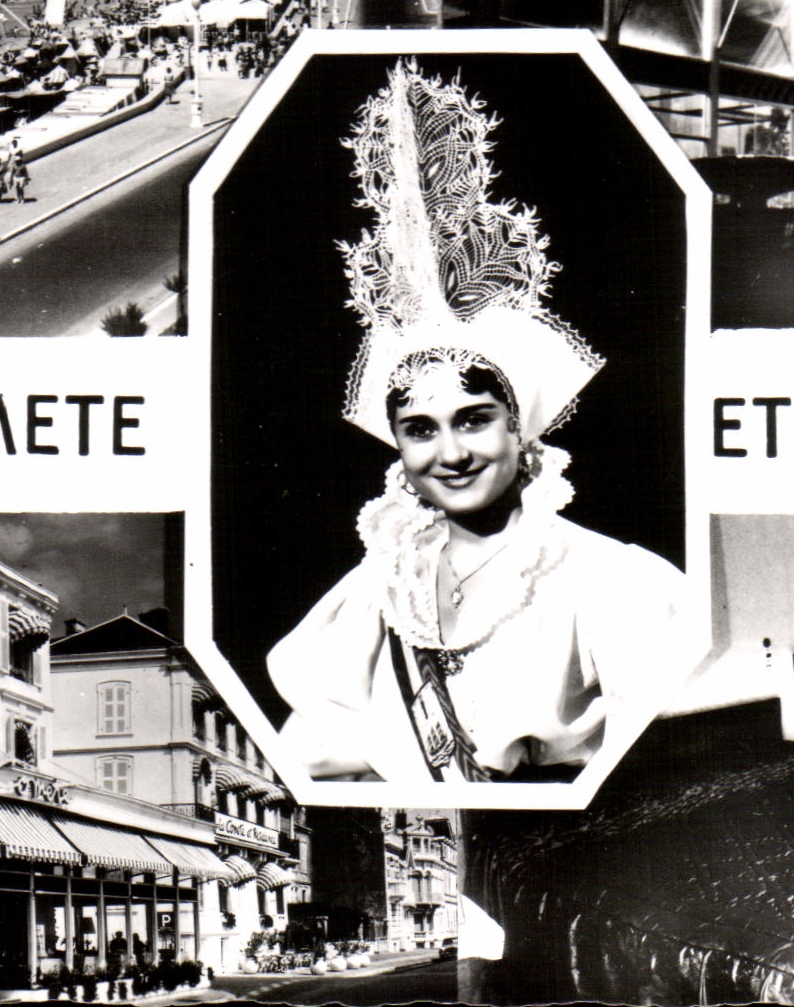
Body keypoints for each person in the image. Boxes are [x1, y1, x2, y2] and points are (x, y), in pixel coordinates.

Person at [267, 63, 694, 785]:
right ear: (396, 447)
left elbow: (650, 769)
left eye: (474, 420)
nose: (452, 452)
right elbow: (306, 751)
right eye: (421, 429)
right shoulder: (382, 585)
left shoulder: (606, 577)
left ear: (520, 430)